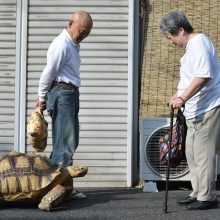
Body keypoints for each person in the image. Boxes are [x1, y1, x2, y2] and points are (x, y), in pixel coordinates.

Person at [160, 11, 220, 210]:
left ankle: (208, 196)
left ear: (181, 30)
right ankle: (197, 191)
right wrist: (177, 94)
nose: (170, 42)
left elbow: (203, 76)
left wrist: (183, 97)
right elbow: (189, 78)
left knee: (204, 153)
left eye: (170, 37)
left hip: (208, 106)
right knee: (192, 153)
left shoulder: (199, 43)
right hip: (194, 110)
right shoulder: (191, 49)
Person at [36, 10, 93, 199]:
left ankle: (57, 185)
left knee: (69, 141)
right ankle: (57, 189)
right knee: (64, 144)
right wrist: (41, 98)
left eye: (87, 33)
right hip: (62, 93)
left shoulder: (72, 44)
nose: (83, 36)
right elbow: (48, 72)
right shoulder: (62, 44)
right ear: (71, 23)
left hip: (69, 93)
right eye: (81, 31)